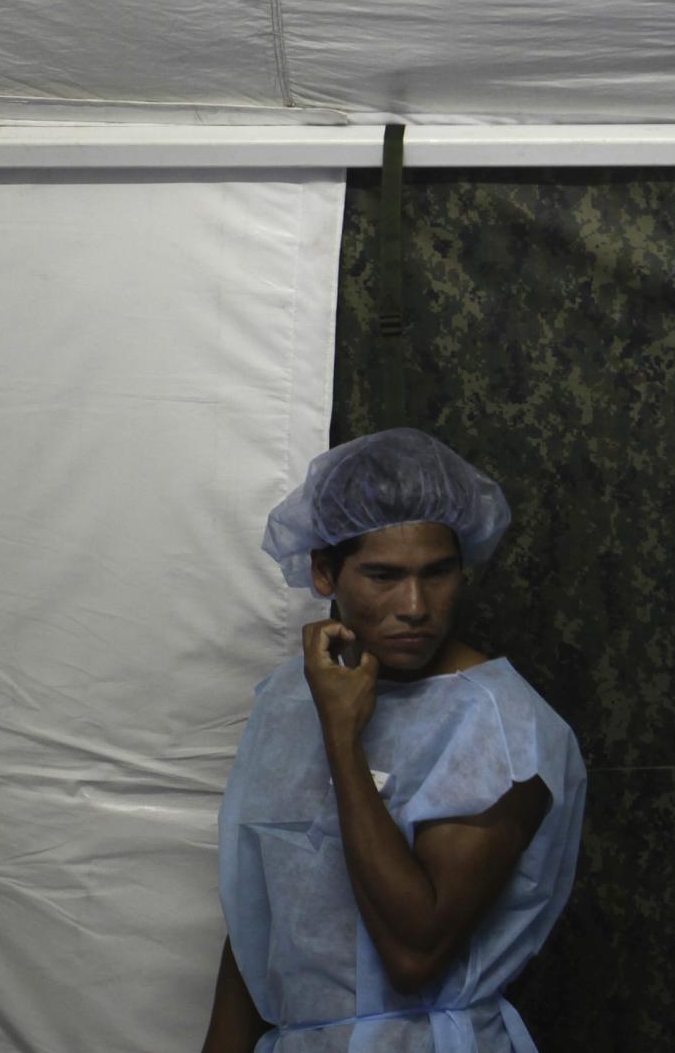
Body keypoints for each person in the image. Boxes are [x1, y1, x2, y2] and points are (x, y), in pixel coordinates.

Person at [204, 428, 586, 1052]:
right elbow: (258, 921)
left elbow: (415, 952)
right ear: (325, 572)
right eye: (383, 575)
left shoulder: (500, 728)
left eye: (437, 574)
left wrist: (343, 738)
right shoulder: (287, 701)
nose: (415, 605)